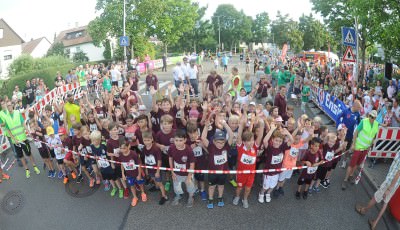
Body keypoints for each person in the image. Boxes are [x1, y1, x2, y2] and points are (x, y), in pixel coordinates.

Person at [355, 152, 400, 230]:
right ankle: (375, 222)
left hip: (389, 183)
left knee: (376, 197)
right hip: (396, 184)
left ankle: (364, 210)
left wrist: (389, 189)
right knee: (385, 202)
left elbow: (398, 173)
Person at [342, 110, 379, 190]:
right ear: (368, 115)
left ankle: (351, 175)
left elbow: (373, 136)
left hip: (365, 148)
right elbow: (356, 133)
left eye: (373, 117)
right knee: (352, 164)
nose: (371, 118)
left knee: (357, 164)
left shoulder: (376, 124)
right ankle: (345, 180)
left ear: (375, 118)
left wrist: (371, 145)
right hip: (358, 146)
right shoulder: (364, 121)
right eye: (370, 116)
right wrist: (353, 144)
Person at [201, 120, 234, 209]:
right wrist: (206, 126)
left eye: (222, 142)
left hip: (223, 172)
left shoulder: (226, 146)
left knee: (221, 186)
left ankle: (220, 198)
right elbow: (203, 138)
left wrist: (225, 124)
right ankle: (210, 199)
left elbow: (231, 135)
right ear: (214, 141)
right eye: (218, 142)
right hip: (213, 172)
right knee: (211, 187)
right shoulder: (211, 147)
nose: (220, 144)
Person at [3, 100, 40, 178]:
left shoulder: (17, 113)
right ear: (6, 107)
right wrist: (14, 139)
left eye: (10, 105)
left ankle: (34, 166)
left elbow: (23, 124)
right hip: (15, 141)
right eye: (7, 106)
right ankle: (27, 170)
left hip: (23, 138)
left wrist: (29, 132)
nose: (9, 107)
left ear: (12, 106)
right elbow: (8, 130)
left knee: (29, 153)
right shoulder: (6, 118)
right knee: (21, 156)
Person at [168, 129, 196, 207]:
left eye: (180, 140)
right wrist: (172, 171)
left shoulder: (189, 150)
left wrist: (189, 176)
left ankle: (191, 197)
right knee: (176, 185)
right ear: (173, 140)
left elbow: (192, 164)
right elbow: (170, 158)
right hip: (176, 172)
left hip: (187, 173)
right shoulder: (171, 148)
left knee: (190, 185)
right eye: (176, 140)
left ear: (185, 140)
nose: (178, 142)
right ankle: (178, 195)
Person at [119, 138, 147, 207]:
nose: (123, 150)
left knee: (140, 184)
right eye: (121, 148)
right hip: (129, 175)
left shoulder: (133, 154)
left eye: (124, 148)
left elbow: (139, 165)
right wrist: (123, 173)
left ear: (129, 146)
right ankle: (135, 197)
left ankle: (143, 193)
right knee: (132, 186)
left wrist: (139, 174)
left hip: (137, 173)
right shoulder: (121, 155)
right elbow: (122, 164)